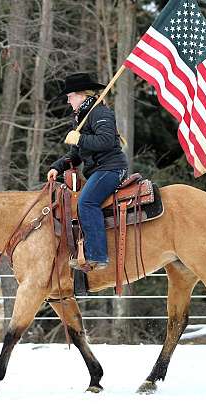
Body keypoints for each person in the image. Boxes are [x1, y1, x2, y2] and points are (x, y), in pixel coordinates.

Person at [47, 73, 129, 272]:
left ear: (82, 95)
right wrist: (57, 167)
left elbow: (107, 141)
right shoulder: (81, 118)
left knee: (87, 201)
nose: (68, 100)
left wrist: (80, 139)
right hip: (98, 171)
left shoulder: (100, 113)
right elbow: (76, 155)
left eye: (70, 95)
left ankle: (97, 256)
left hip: (111, 168)